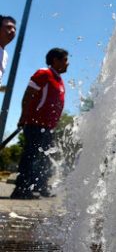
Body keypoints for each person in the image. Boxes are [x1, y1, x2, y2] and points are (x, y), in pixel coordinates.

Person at [11, 48, 70, 199]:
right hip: (35, 124)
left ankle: (40, 186)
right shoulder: (44, 73)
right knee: (31, 156)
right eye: (65, 59)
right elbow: (28, 94)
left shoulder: (58, 79)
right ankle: (21, 189)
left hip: (49, 127)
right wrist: (23, 117)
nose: (67, 63)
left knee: (45, 158)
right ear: (55, 60)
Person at [0, 15, 17, 92]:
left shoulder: (5, 55)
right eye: (8, 27)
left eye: (14, 29)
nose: (13, 31)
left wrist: (3, 88)